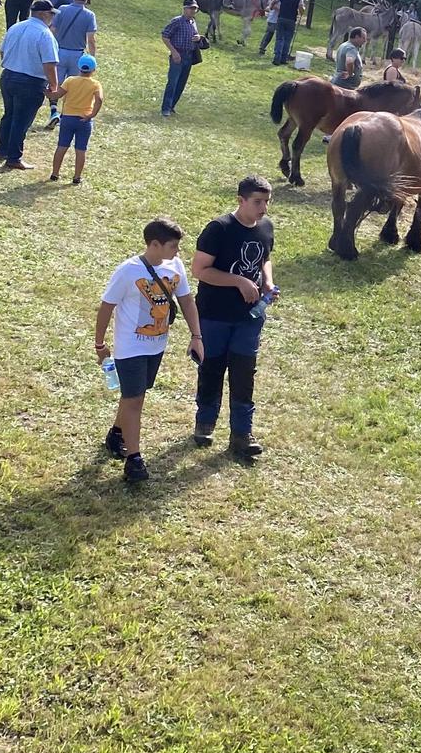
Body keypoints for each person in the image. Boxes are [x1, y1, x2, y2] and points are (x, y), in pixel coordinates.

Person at [94, 216, 202, 483]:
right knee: (135, 400)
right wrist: (100, 344)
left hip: (157, 345)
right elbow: (106, 306)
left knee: (135, 394)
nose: (178, 252)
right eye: (173, 246)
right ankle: (134, 459)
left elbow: (186, 301)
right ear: (155, 244)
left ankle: (117, 433)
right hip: (130, 348)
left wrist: (196, 335)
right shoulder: (128, 271)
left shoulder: (175, 266)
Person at [191, 177, 277, 462]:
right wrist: (238, 281)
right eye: (257, 202)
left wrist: (267, 280)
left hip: (249, 318)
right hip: (215, 314)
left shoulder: (265, 227)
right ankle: (205, 422)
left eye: (267, 201)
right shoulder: (219, 229)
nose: (263, 208)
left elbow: (265, 256)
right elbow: (200, 270)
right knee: (212, 367)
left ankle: (242, 434)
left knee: (243, 372)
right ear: (240, 200)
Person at [0, 0, 60, 170]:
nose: (53, 17)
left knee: (9, 115)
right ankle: (14, 157)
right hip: (31, 81)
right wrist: (54, 86)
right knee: (21, 120)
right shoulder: (45, 34)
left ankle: (2, 150)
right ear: (44, 14)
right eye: (51, 14)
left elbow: (3, 51)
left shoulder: (16, 27)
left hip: (8, 76)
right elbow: (49, 63)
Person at [45, 0, 98, 127]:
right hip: (77, 55)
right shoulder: (89, 15)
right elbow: (91, 39)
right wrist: (92, 58)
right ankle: (66, 115)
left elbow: (52, 30)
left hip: (59, 52)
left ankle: (53, 111)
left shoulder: (62, 9)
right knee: (73, 85)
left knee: (55, 84)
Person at [49, 54, 104, 184]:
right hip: (84, 120)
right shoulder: (96, 84)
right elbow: (99, 99)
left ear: (79, 67)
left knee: (62, 146)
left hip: (68, 118)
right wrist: (92, 114)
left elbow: (57, 94)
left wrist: (48, 93)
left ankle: (55, 173)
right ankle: (76, 177)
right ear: (94, 69)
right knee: (81, 149)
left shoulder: (70, 80)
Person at [161, 0, 202, 117]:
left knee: (181, 83)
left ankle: (172, 106)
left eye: (195, 9)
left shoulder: (193, 22)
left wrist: (198, 38)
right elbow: (165, 36)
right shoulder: (177, 21)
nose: (193, 11)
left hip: (189, 57)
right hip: (178, 55)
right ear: (185, 9)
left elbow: (195, 36)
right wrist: (174, 52)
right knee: (172, 82)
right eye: (191, 9)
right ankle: (165, 108)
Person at [270, 0, 303, 67]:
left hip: (281, 18)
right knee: (287, 40)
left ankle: (277, 58)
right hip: (291, 20)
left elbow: (274, 1)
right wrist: (302, 10)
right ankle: (283, 59)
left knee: (279, 38)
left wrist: (271, 7)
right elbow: (301, 9)